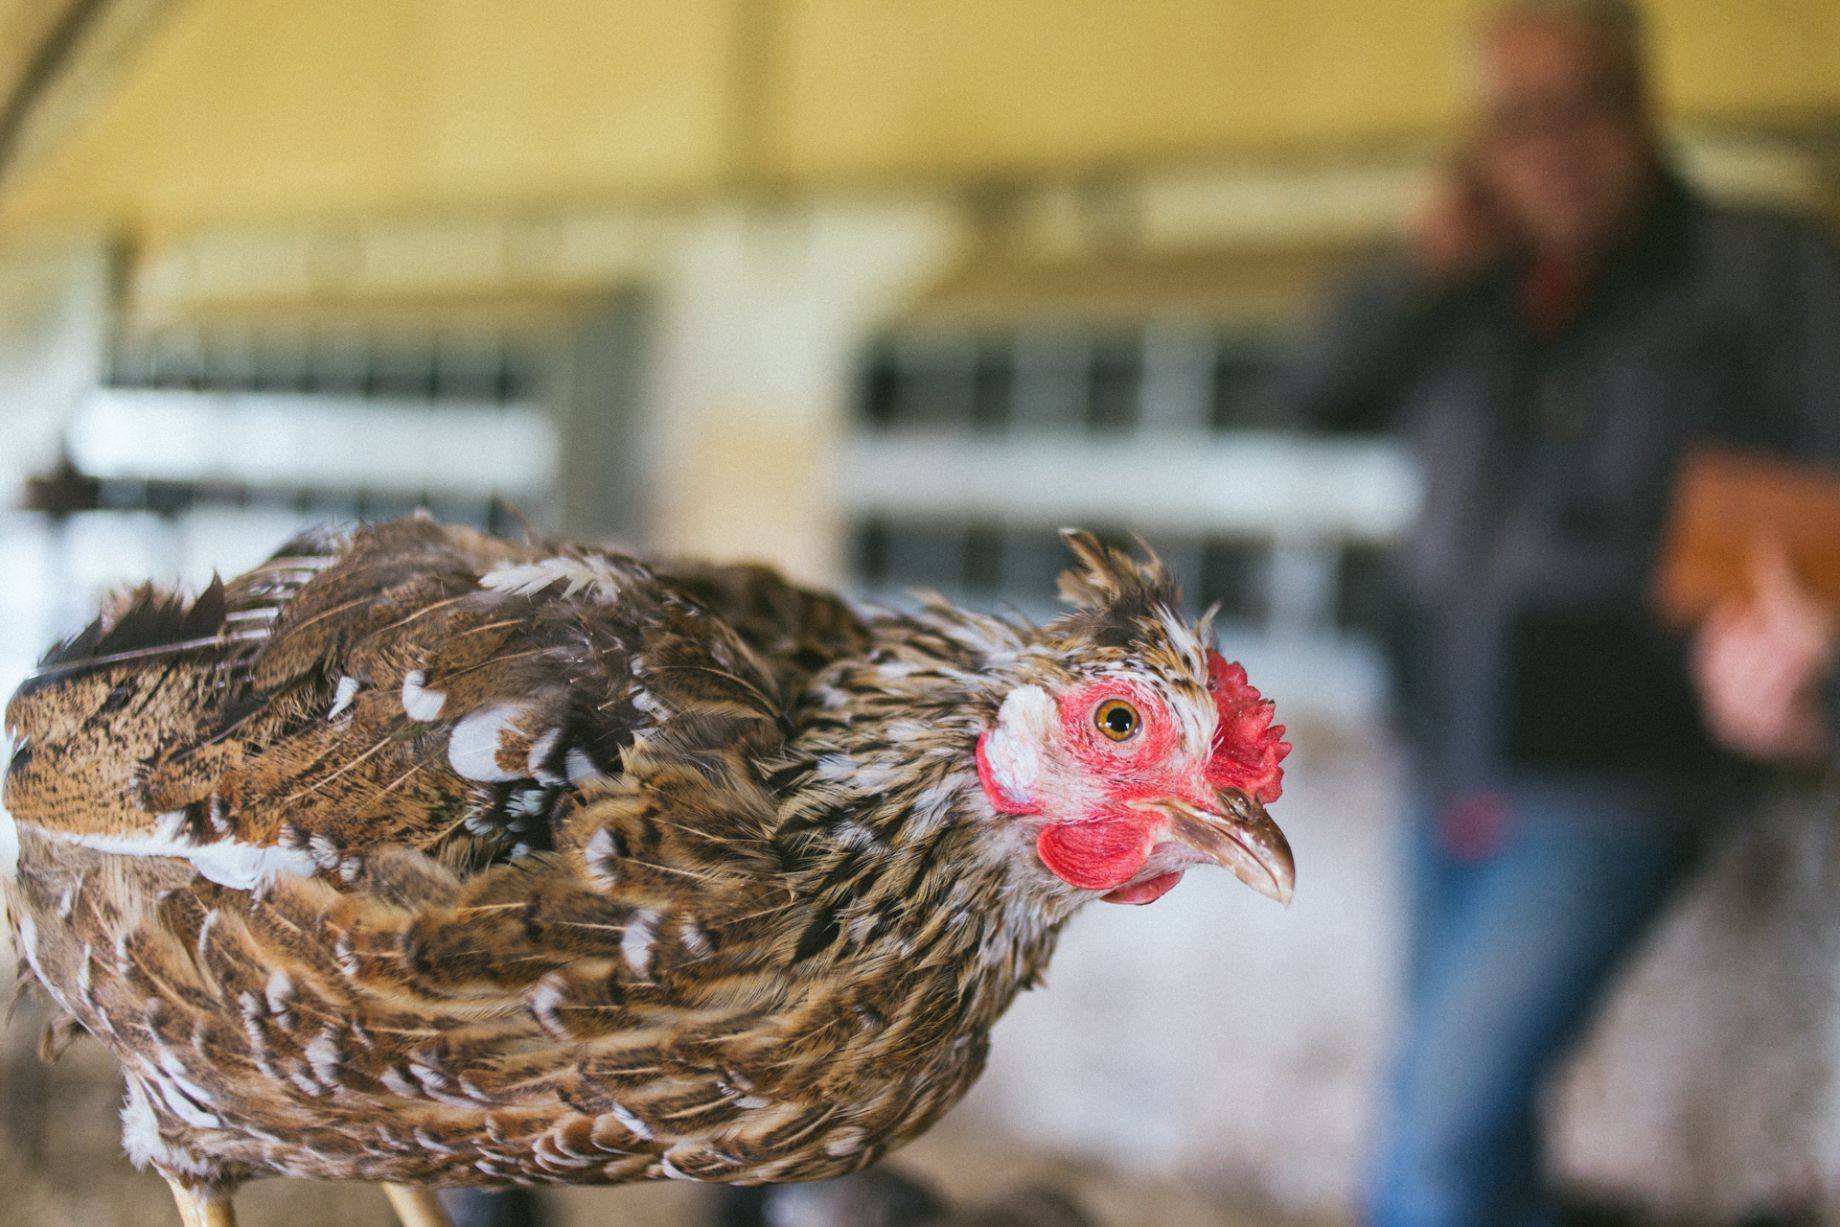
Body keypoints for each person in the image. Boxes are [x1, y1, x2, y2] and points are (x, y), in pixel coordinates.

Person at [1280, 1, 1840, 1223]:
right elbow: (1316, 392)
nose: (1553, 148)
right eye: (1517, 119)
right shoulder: (1467, 284)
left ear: (1642, 110)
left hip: (1617, 768)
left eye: (1582, 107)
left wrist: (1801, 653)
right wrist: (1420, 267)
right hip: (1448, 750)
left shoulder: (1753, 269)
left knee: (1443, 1130)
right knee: (1440, 1110)